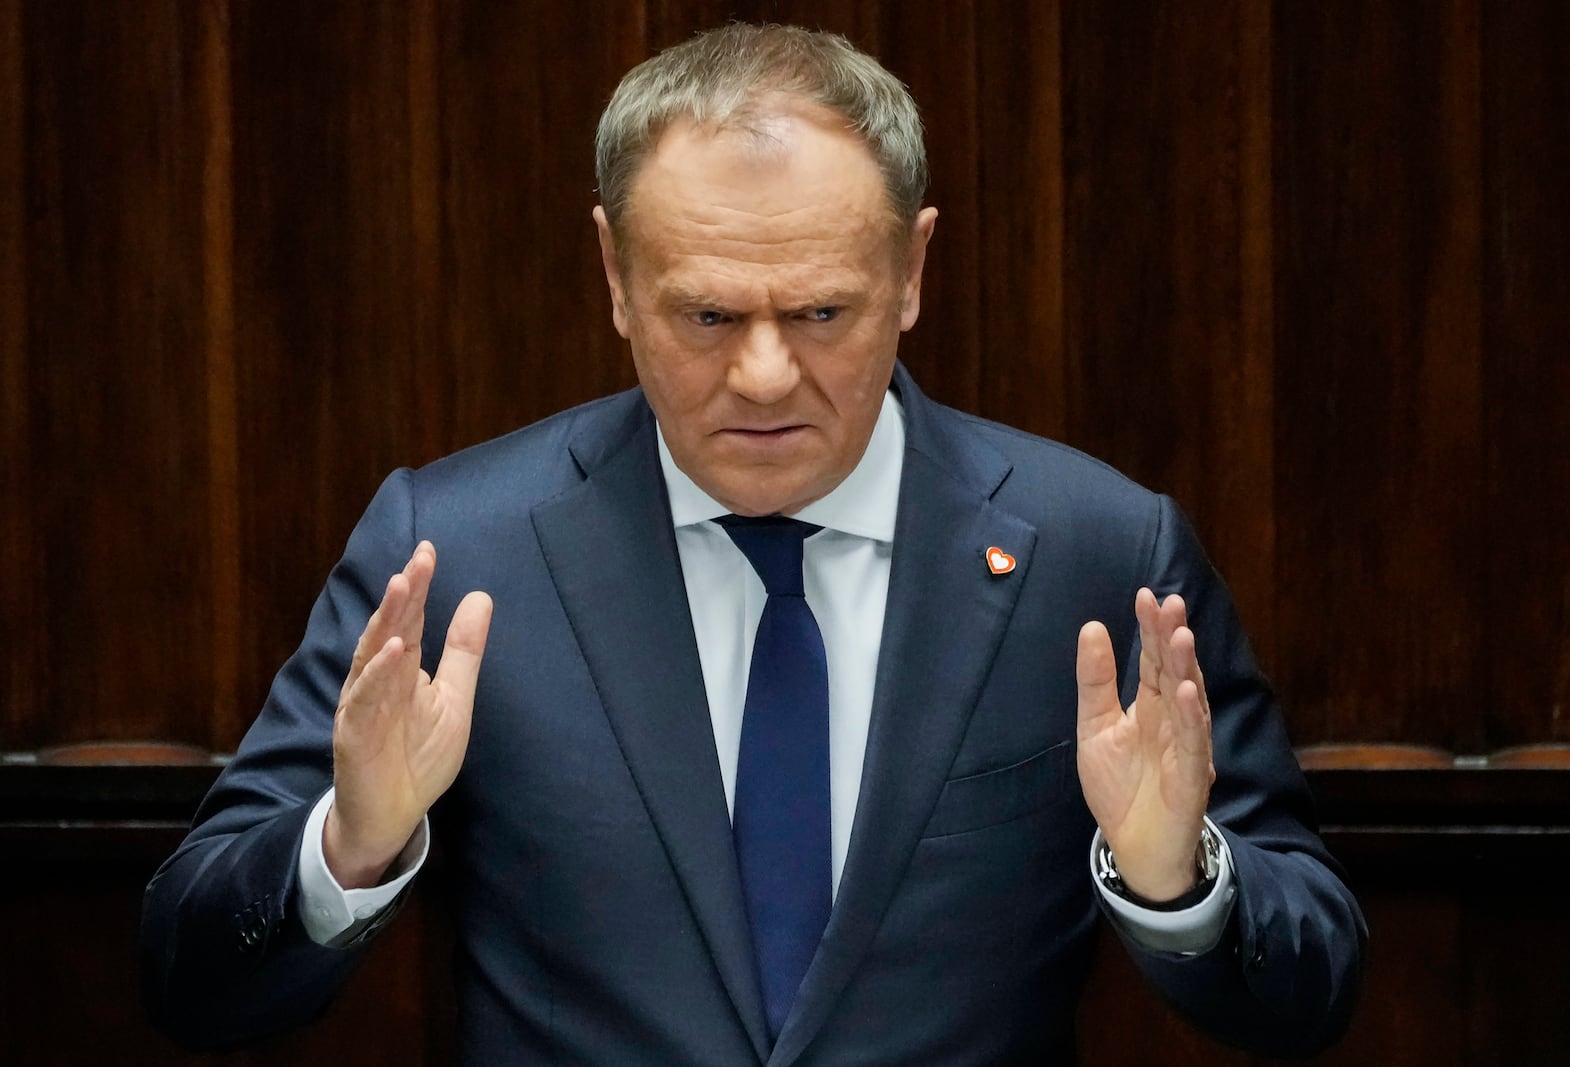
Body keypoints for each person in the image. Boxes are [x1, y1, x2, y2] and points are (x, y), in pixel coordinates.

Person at [142, 23, 1365, 1065]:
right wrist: (350, 845)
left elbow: (1310, 991)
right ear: (616, 277)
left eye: (823, 310)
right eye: (708, 313)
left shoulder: (1094, 549)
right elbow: (193, 981)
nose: (766, 373)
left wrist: (1178, 883)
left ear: (913, 268)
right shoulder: (457, 550)